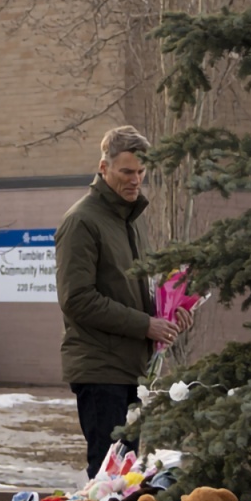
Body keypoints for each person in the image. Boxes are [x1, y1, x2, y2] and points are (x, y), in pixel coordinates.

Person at [55, 125, 177, 477]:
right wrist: (146, 324)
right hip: (99, 368)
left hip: (128, 368)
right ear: (103, 167)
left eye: (141, 172)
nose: (135, 180)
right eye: (126, 171)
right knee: (107, 478)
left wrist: (167, 315)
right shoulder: (81, 220)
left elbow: (131, 291)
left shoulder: (128, 219)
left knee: (124, 476)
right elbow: (77, 299)